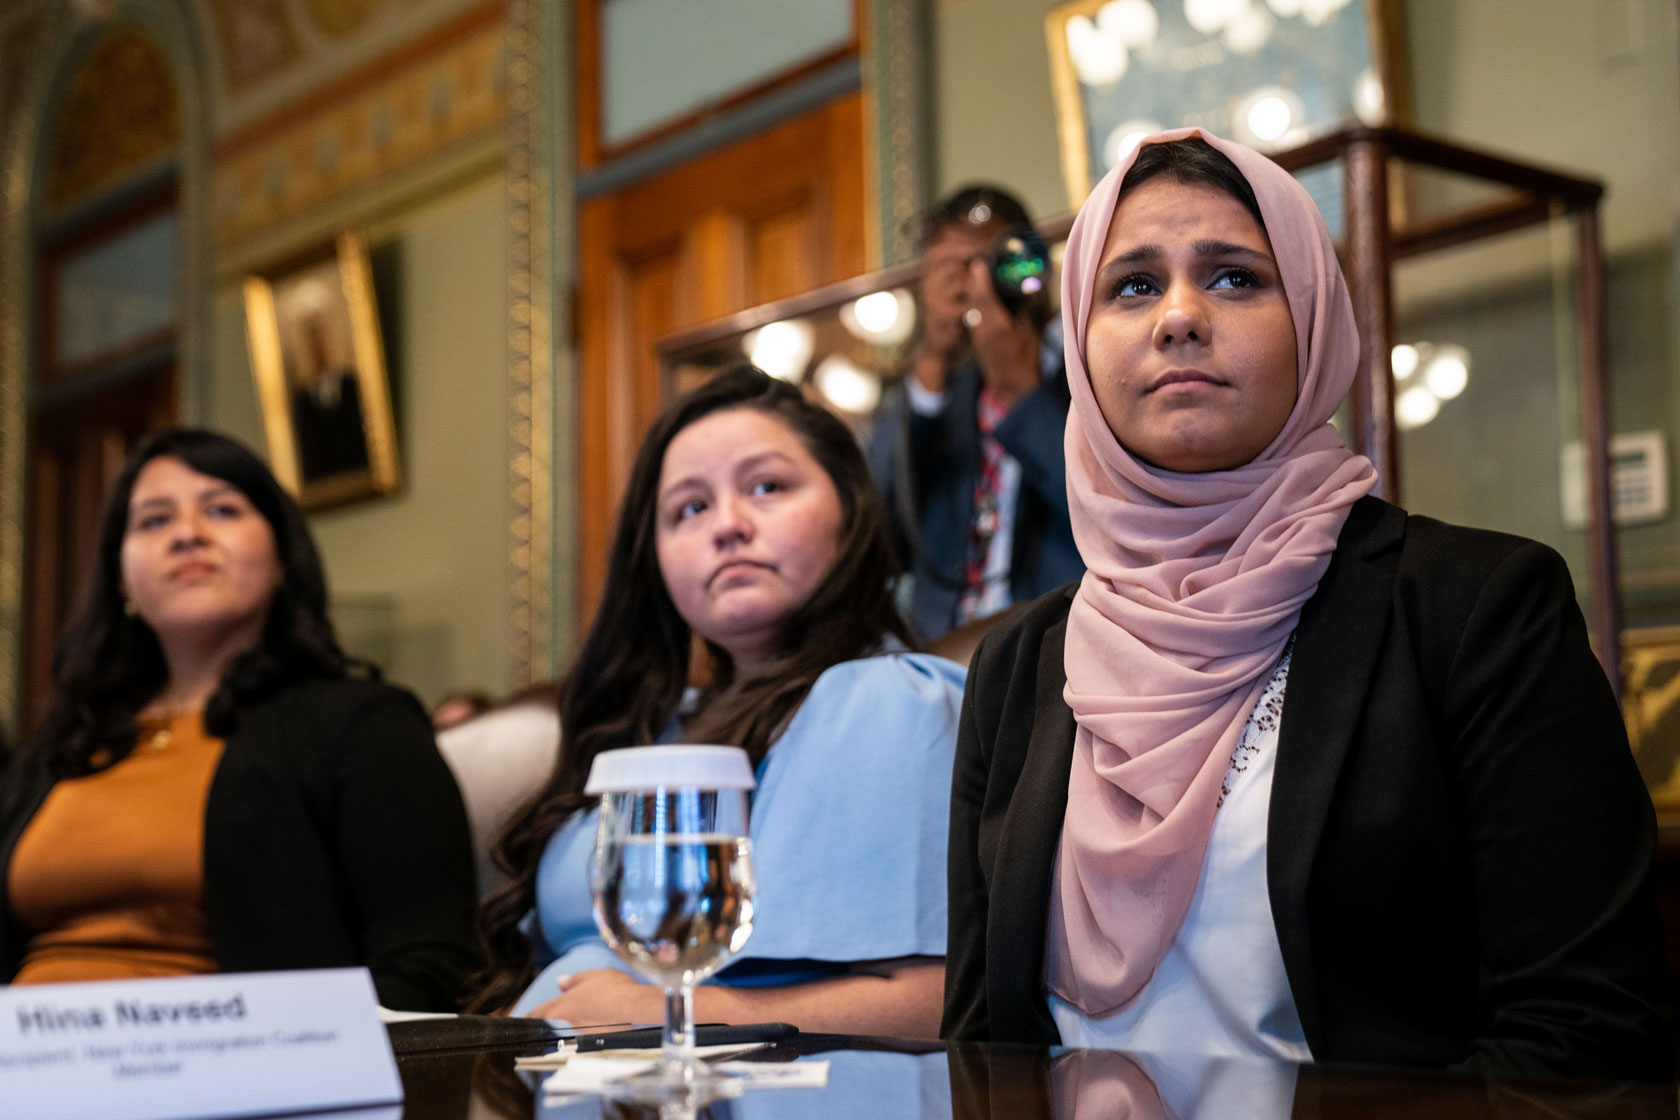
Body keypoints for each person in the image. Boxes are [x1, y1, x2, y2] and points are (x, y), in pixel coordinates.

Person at [942, 132, 1672, 1080]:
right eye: (1130, 287)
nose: (1179, 318)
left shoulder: (1474, 610)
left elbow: (1585, 1030)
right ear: (1079, 348)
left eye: (1237, 278)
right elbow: (980, 1046)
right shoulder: (1022, 664)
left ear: (1317, 319)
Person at [469, 364, 964, 1037]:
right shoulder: (655, 723)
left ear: (851, 508)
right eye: (690, 509)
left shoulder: (878, 701)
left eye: (767, 487)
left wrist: (674, 1015)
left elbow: (934, 1005)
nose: (727, 526)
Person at [0, 429, 477, 1010]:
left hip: (230, 1076)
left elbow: (428, 965)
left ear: (281, 557)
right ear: (122, 579)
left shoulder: (361, 725)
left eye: (222, 510)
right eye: (153, 520)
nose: (187, 534)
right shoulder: (61, 748)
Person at [867, 185, 1082, 642]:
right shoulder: (942, 393)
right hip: (944, 647)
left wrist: (1022, 391)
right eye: (954, 266)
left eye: (993, 260)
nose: (975, 280)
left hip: (1056, 643)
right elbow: (877, 531)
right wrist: (931, 361)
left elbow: (1108, 514)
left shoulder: (1086, 372)